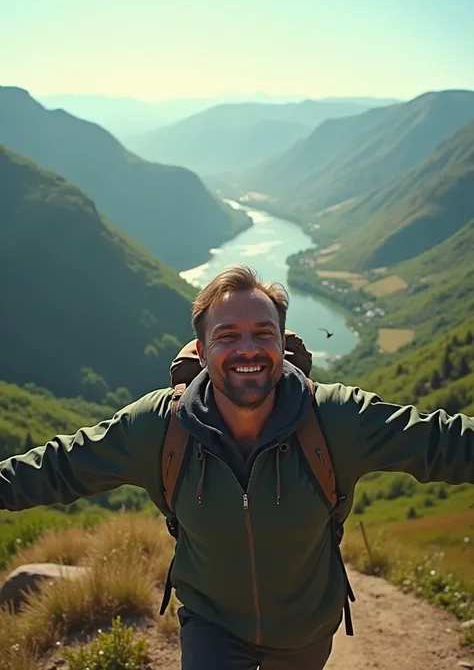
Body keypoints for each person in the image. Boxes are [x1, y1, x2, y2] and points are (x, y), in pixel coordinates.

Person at [1, 264, 473, 670]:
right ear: (203, 352)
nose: (247, 349)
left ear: (281, 344)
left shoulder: (334, 420)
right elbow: (61, 466)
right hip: (212, 623)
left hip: (303, 631)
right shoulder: (160, 428)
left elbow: (439, 442)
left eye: (262, 334)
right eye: (227, 336)